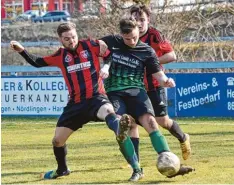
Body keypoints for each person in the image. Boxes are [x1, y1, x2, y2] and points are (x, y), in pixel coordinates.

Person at [10, 22, 141, 181]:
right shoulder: (60, 56)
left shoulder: (91, 45)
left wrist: (106, 67)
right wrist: (22, 51)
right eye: (66, 38)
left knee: (109, 113)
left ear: (76, 34)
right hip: (76, 104)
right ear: (60, 39)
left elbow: (108, 55)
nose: (71, 40)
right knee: (57, 141)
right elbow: (38, 62)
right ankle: (62, 169)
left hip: (96, 97)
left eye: (73, 36)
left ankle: (135, 167)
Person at [100, 17, 194, 181]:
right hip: (115, 92)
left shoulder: (147, 50)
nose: (131, 41)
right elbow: (88, 47)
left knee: (151, 122)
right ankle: (137, 169)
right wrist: (98, 49)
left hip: (137, 91)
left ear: (138, 31)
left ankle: (170, 163)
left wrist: (166, 81)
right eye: (127, 39)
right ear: (121, 35)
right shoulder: (111, 41)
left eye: (135, 37)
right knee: (122, 127)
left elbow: (158, 74)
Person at [128, 4, 191, 162]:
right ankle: (134, 161)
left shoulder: (154, 35)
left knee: (162, 121)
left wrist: (150, 63)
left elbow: (171, 55)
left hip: (154, 85)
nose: (139, 23)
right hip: (134, 87)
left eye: (142, 19)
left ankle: (183, 138)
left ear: (148, 19)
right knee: (131, 122)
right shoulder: (127, 36)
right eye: (135, 19)